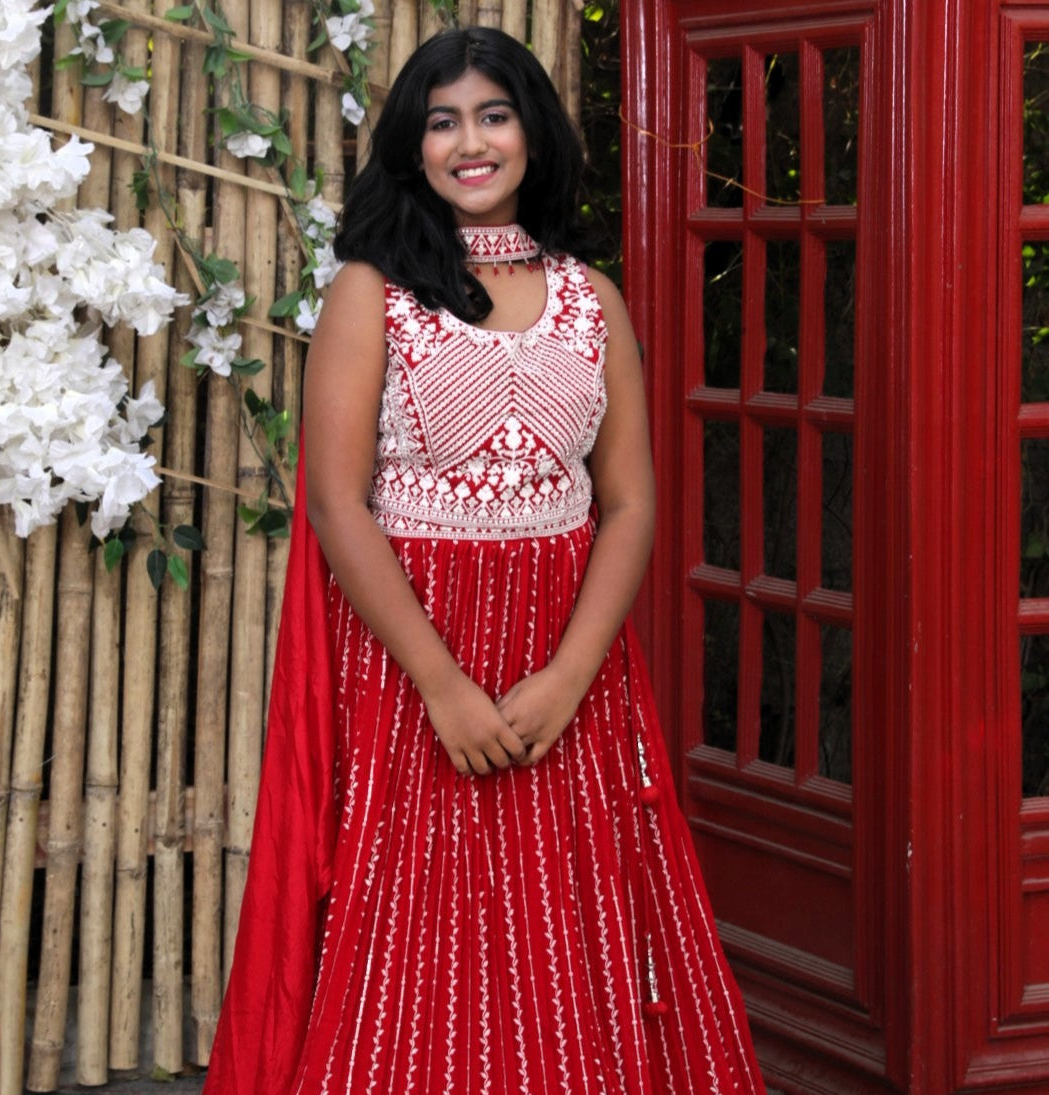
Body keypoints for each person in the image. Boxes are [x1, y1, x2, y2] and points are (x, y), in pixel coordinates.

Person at [203, 25, 765, 1095]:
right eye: (442, 120)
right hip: (418, 661)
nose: (470, 142)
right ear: (411, 147)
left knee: (573, 923)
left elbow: (630, 503)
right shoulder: (372, 294)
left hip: (567, 655)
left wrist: (566, 674)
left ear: (532, 134)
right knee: (417, 928)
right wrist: (443, 686)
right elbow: (336, 505)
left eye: (493, 115)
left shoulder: (589, 300)